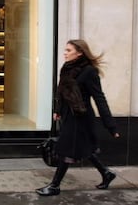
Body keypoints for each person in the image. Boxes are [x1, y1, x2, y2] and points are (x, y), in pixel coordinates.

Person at [36, 39, 120, 196]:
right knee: (84, 148)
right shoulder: (67, 68)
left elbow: (99, 98)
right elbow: (61, 91)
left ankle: (55, 186)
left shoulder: (89, 72)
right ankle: (106, 173)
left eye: (68, 50)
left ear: (80, 52)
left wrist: (111, 126)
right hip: (68, 115)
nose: (65, 53)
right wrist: (58, 110)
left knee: (66, 150)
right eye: (65, 50)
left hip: (81, 118)